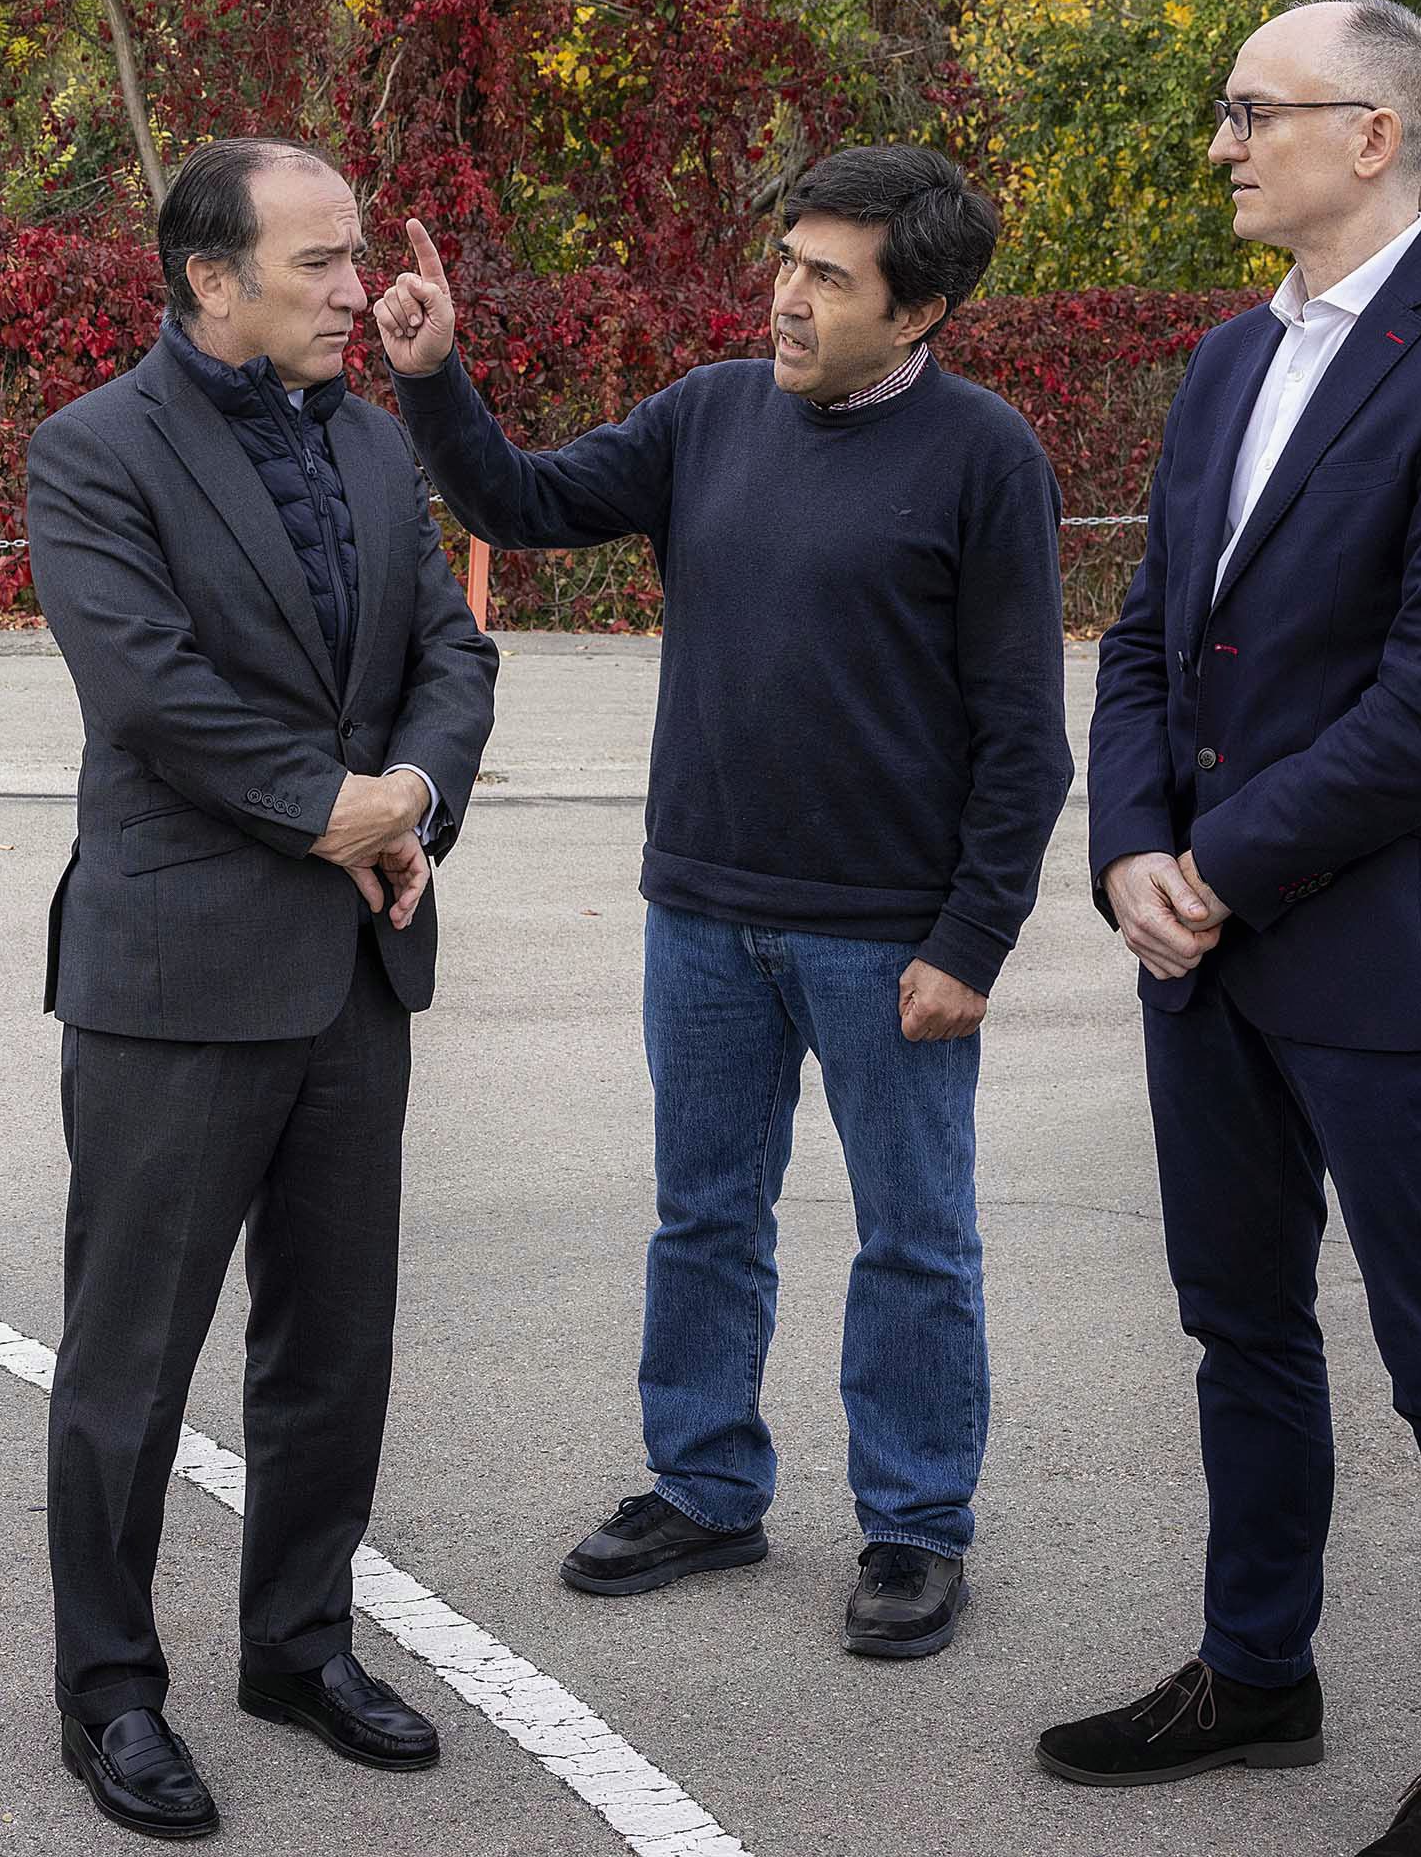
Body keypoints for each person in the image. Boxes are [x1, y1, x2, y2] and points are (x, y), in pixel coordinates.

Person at [370, 143, 1071, 1662]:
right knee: (705, 1219)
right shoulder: (708, 413)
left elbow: (1026, 734)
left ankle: (915, 1526)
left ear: (920, 309)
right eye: (787, 263)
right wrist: (433, 378)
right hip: (701, 912)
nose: (789, 299)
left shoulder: (986, 457)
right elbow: (522, 501)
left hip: (889, 933)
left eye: (830, 278)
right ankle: (706, 1486)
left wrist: (973, 940)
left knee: (914, 1240)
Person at [1042, 0, 1421, 1857]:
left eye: (1252, 112)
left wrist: (1215, 867)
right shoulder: (1226, 362)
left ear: (1374, 135)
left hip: (1381, 953)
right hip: (1201, 951)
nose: (1222, 144)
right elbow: (1146, 634)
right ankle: (1257, 1674)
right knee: (1241, 1328)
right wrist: (1131, 849)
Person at [25, 137, 500, 1843]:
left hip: (356, 968)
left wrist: (414, 794)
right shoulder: (96, 451)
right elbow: (150, 694)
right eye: (320, 263)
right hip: (177, 976)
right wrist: (340, 811)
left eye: (354, 256)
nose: (357, 290)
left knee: (333, 1348)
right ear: (210, 279)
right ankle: (109, 1692)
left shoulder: (370, 442)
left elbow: (451, 651)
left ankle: (299, 1649)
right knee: (132, 1365)